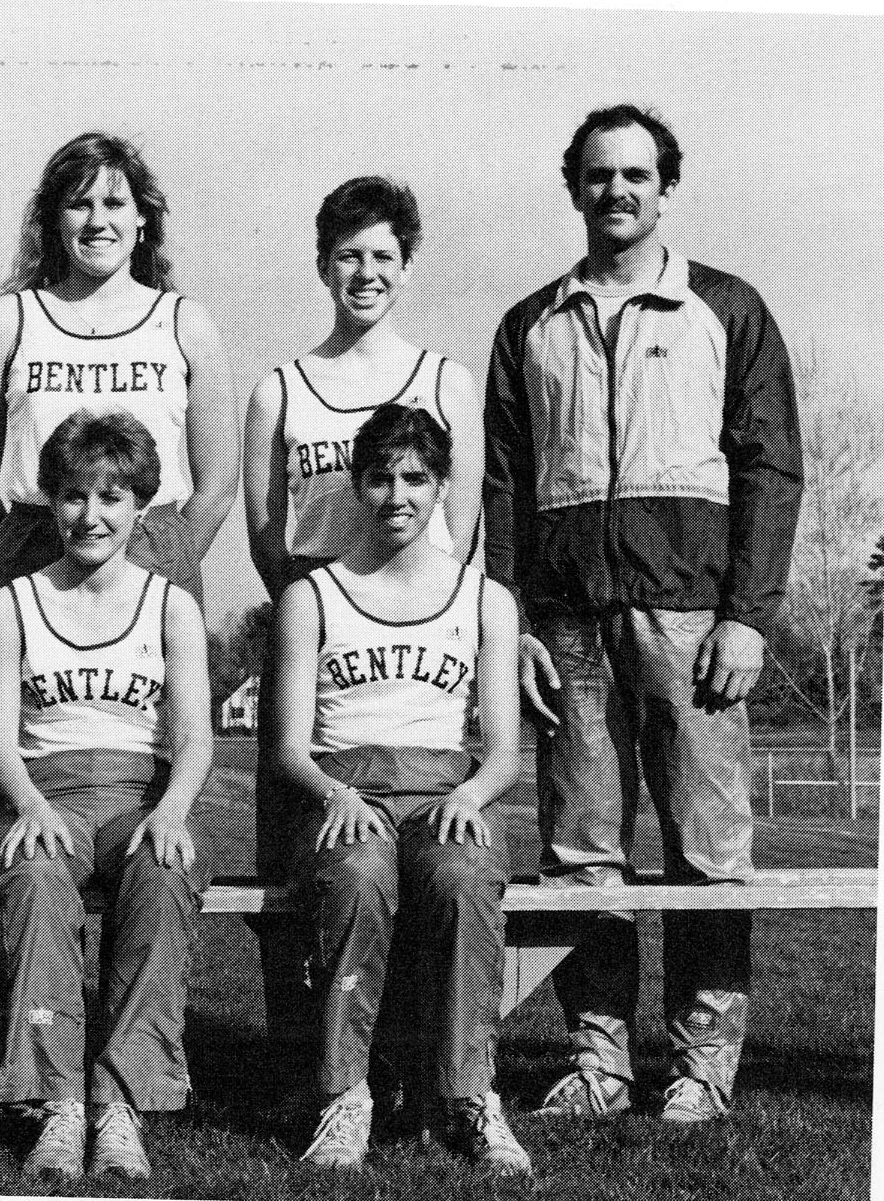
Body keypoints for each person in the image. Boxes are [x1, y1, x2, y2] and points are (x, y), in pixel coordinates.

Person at [483, 105, 803, 1123]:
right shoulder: (528, 324)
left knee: (708, 852)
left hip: (692, 620)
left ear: (665, 186)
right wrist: (512, 624)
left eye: (634, 174)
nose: (615, 190)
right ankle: (598, 1063)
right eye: (595, 174)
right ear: (570, 186)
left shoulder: (725, 309)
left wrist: (746, 614)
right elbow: (498, 485)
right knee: (580, 853)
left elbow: (769, 467)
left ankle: (701, 1067)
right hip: (565, 625)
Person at [242, 175, 485, 1089]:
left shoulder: (442, 381)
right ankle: (307, 1070)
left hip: (408, 672)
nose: (365, 272)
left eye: (383, 256)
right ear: (321, 263)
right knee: (308, 878)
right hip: (319, 656)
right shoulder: (282, 387)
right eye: (348, 255)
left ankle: (415, 1071)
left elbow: (461, 533)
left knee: (422, 869)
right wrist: (320, 611)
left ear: (407, 267)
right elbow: (270, 535)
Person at [272, 403, 530, 1175]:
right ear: (355, 485)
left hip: (445, 793)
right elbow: (286, 745)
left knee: (462, 879)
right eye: (379, 477)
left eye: (415, 478)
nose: (396, 496)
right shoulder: (312, 594)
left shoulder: (484, 597)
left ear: (442, 487)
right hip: (344, 791)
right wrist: (329, 792)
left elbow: (505, 752)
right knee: (354, 879)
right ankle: (344, 1095)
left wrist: (472, 794)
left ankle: (469, 1096)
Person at [0, 410, 213, 1181]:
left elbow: (195, 737)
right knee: (39, 879)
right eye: (74, 496)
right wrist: (31, 807)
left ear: (141, 506)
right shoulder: (14, 602)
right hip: (39, 796)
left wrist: (171, 810)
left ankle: (118, 1103)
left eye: (111, 498)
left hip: (139, 799)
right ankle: (54, 1103)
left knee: (164, 874)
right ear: (51, 501)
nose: (91, 515)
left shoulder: (170, 603)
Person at [0, 131, 237, 610]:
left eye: (115, 203)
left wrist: (166, 556)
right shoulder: (8, 321)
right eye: (79, 204)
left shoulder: (185, 322)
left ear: (142, 217)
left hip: (150, 546)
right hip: (35, 547)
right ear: (54, 221)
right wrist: (13, 553)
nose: (98, 221)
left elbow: (221, 480)